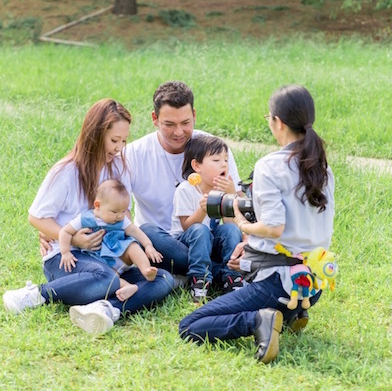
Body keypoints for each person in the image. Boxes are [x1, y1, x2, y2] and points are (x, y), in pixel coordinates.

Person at [179, 85, 335, 364]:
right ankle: (294, 312)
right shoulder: (321, 166)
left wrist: (241, 222)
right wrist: (248, 246)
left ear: (278, 122)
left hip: (277, 285)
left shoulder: (270, 165)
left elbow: (273, 228)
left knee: (190, 325)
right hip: (314, 282)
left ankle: (260, 320)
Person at [3, 98, 174, 335]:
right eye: (114, 140)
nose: (119, 148)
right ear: (95, 134)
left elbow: (124, 216)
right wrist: (73, 240)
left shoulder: (118, 168)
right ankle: (36, 295)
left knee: (163, 279)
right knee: (106, 279)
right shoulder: (67, 171)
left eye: (124, 141)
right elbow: (37, 218)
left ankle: (106, 309)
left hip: (108, 258)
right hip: (67, 258)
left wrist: (130, 250)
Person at [124, 81, 242, 294]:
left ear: (194, 115)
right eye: (169, 124)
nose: (179, 132)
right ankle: (220, 274)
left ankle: (196, 274)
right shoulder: (134, 153)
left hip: (210, 242)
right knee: (147, 231)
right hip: (164, 246)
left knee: (220, 234)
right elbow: (107, 200)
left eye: (186, 123)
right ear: (154, 119)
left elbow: (237, 202)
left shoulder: (213, 149)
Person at [58, 179, 160, 301]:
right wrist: (65, 252)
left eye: (123, 211)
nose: (120, 216)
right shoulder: (85, 219)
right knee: (108, 275)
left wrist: (148, 245)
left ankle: (146, 270)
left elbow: (135, 231)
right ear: (98, 205)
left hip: (121, 251)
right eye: (114, 211)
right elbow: (65, 231)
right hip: (102, 259)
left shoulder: (121, 221)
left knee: (133, 247)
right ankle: (127, 287)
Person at [169, 135, 244, 302]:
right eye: (216, 160)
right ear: (196, 166)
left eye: (225, 159)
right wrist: (202, 209)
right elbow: (187, 226)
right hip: (185, 241)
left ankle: (232, 278)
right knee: (200, 230)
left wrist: (230, 197)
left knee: (231, 230)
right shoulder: (186, 190)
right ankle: (199, 280)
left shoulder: (221, 190)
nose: (224, 164)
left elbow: (231, 225)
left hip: (210, 241)